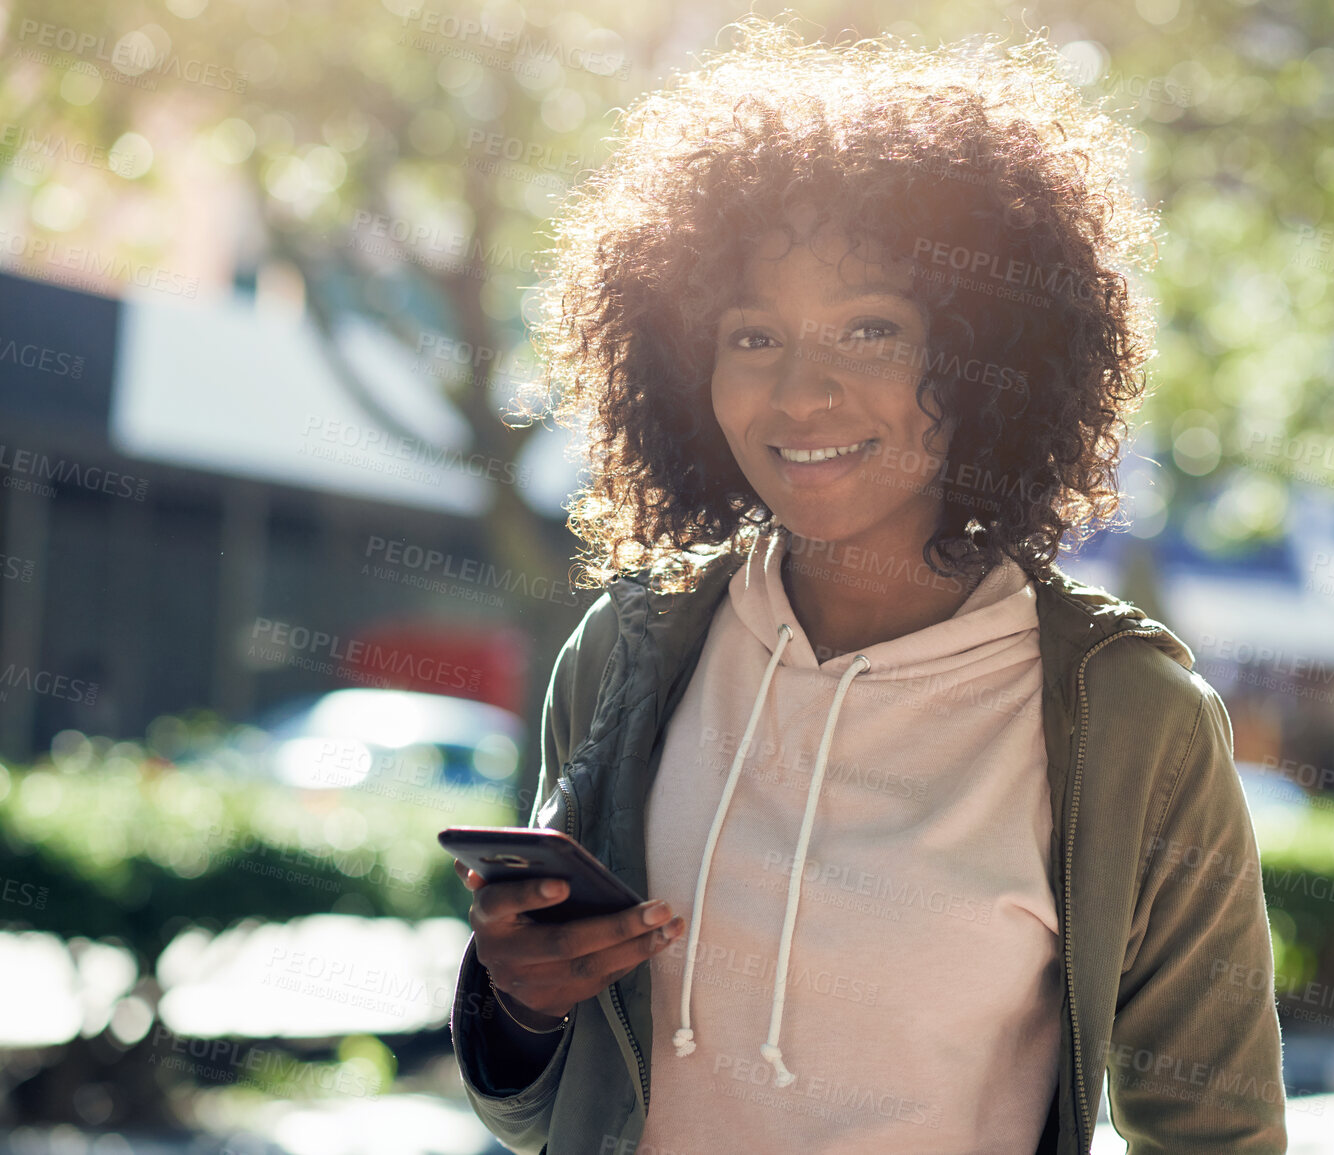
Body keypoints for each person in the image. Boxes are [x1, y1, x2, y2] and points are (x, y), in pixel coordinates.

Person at [447, 17, 1287, 1154]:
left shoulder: (1129, 718)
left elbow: (1215, 1134)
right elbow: (533, 1112)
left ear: (989, 353)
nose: (802, 395)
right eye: (753, 337)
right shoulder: (627, 652)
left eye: (870, 329)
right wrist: (520, 1004)